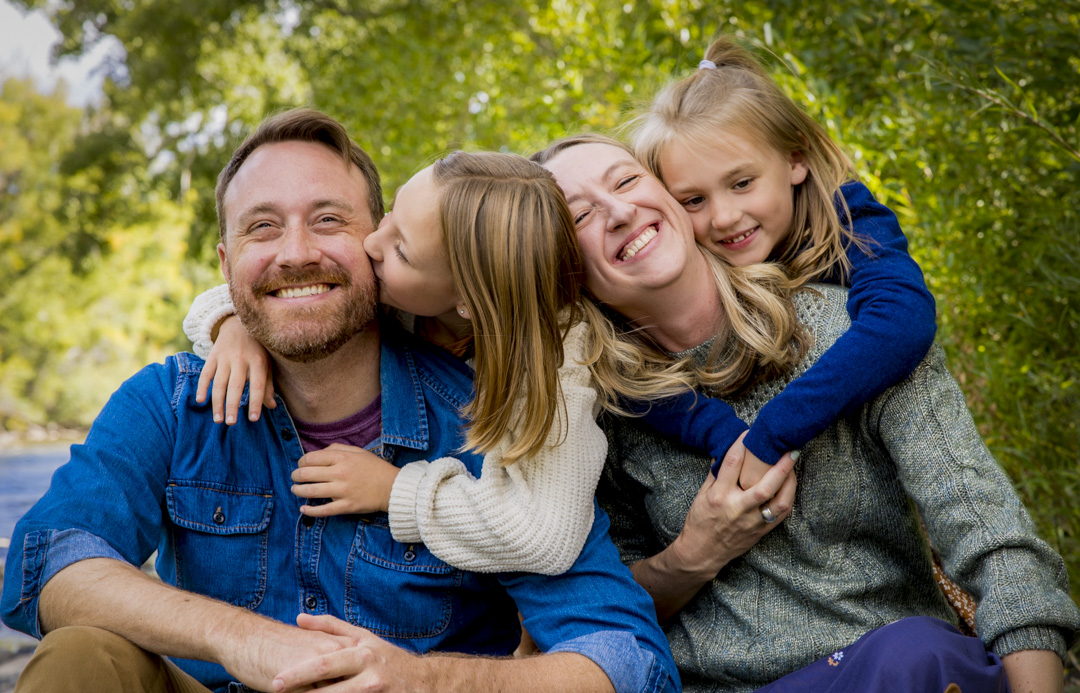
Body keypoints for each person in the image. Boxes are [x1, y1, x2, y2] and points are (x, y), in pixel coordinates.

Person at [0, 109, 694, 693]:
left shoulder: (492, 415)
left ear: (375, 249)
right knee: (80, 663)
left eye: (328, 220)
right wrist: (243, 641)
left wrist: (432, 690)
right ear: (227, 261)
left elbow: (629, 659)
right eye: (263, 228)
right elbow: (46, 565)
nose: (296, 253)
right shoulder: (173, 403)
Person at [531, 133, 1080, 693]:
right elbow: (598, 623)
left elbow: (995, 542)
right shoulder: (593, 418)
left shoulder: (854, 337)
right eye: (579, 214)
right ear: (569, 274)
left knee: (916, 658)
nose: (618, 213)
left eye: (626, 182)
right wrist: (696, 553)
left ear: (672, 198)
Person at [182, 150, 798, 576]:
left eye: (399, 247)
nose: (373, 243)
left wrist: (398, 490)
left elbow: (546, 535)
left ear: (470, 302)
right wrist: (230, 327)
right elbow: (276, 296)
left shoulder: (559, 364)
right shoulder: (400, 283)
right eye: (390, 215)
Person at [622, 37, 937, 492]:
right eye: (693, 199)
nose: (725, 216)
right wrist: (724, 435)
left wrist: (770, 437)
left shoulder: (848, 217)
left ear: (795, 159)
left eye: (742, 182)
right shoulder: (682, 273)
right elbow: (628, 371)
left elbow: (903, 320)